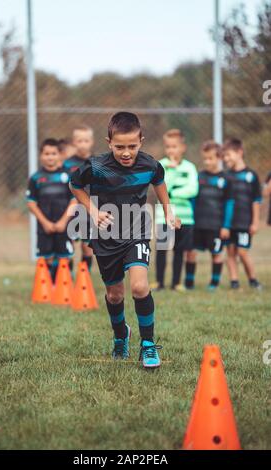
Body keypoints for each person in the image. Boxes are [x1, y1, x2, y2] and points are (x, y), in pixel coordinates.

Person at [70, 112, 180, 369]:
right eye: (120, 147)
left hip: (137, 231)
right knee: (115, 295)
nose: (126, 152)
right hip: (106, 236)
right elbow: (75, 184)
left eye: (132, 146)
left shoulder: (150, 165)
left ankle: (148, 345)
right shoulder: (95, 166)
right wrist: (93, 211)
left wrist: (168, 211)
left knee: (140, 287)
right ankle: (121, 336)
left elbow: (159, 181)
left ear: (141, 140)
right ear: (109, 142)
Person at [186, 141, 234, 290]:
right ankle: (189, 283)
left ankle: (214, 283)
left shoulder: (226, 179)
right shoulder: (198, 176)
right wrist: (190, 219)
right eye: (205, 158)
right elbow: (192, 199)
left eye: (210, 158)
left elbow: (229, 204)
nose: (207, 162)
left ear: (219, 158)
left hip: (216, 225)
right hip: (197, 223)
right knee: (191, 252)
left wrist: (226, 226)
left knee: (217, 253)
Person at [154, 129, 198, 292]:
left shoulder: (190, 167)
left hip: (185, 217)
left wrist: (172, 193)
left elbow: (193, 190)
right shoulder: (162, 166)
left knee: (179, 250)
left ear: (183, 147)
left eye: (174, 147)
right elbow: (162, 188)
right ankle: (159, 282)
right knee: (162, 249)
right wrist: (171, 172)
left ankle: (176, 283)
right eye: (168, 147)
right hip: (163, 216)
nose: (171, 150)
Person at [26, 138, 76, 282]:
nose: (50, 157)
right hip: (44, 227)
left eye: (53, 154)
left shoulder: (68, 176)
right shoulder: (36, 178)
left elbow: (74, 200)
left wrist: (63, 221)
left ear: (60, 155)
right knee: (46, 257)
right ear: (41, 156)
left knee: (64, 258)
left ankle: (65, 287)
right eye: (47, 154)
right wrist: (45, 222)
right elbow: (31, 203)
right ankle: (47, 287)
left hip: (64, 225)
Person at [223, 138, 262, 290]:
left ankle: (253, 280)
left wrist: (255, 221)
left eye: (228, 155)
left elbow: (256, 200)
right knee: (231, 252)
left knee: (242, 252)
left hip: (245, 222)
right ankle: (234, 282)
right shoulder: (226, 176)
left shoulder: (251, 175)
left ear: (239, 152)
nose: (226, 159)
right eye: (224, 156)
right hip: (229, 223)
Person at [63, 126, 95, 272]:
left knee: (87, 248)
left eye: (86, 140)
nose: (83, 144)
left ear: (91, 142)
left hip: (89, 211)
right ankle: (67, 279)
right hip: (70, 211)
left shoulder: (97, 163)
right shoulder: (66, 164)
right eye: (79, 140)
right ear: (74, 142)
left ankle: (84, 280)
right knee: (69, 247)